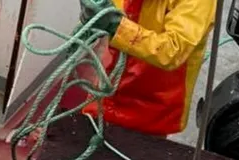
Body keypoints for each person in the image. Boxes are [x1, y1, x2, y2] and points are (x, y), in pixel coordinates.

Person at [79, 0, 216, 137]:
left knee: (138, 151)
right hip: (107, 91)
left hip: (152, 108)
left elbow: (172, 50)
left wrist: (117, 27)